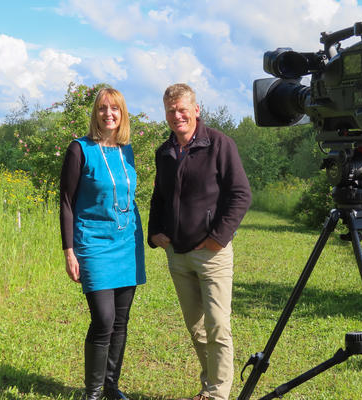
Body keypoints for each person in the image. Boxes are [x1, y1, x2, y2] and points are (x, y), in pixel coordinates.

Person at [147, 83, 252, 400]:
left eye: (182, 109)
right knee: (196, 328)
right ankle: (209, 386)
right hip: (178, 255)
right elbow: (159, 198)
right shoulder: (164, 152)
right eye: (170, 110)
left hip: (211, 255)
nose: (177, 115)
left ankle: (218, 394)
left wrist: (218, 238)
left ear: (196, 110)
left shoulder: (220, 144)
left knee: (218, 325)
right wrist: (155, 233)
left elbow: (241, 195)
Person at [60, 88, 146, 400]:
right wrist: (69, 250)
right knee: (104, 319)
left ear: (122, 114)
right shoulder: (79, 149)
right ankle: (92, 393)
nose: (108, 114)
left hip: (126, 243)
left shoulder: (127, 150)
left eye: (115, 109)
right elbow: (67, 202)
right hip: (93, 243)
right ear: (95, 113)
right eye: (102, 109)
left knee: (121, 321)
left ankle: (111, 386)